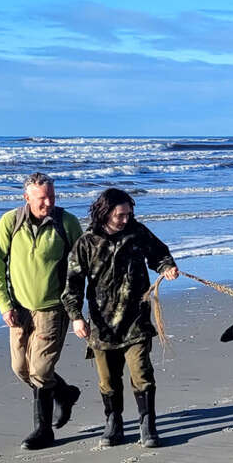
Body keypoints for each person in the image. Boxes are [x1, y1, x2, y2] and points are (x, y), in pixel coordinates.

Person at [62, 187, 179, 447]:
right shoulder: (86, 243)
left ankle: (147, 426)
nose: (126, 219)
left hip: (136, 320)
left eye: (129, 213)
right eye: (120, 215)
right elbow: (72, 283)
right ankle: (113, 423)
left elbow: (159, 253)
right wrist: (76, 317)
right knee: (108, 380)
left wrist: (167, 266)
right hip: (102, 326)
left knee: (142, 373)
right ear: (105, 213)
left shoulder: (137, 233)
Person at [0, 172, 84, 450]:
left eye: (52, 197)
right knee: (20, 369)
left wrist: (76, 309)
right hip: (19, 309)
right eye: (42, 198)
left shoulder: (66, 223)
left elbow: (81, 268)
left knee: (41, 371)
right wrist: (5, 305)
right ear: (27, 197)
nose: (48, 203)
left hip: (53, 309)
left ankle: (43, 431)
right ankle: (65, 393)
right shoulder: (10, 222)